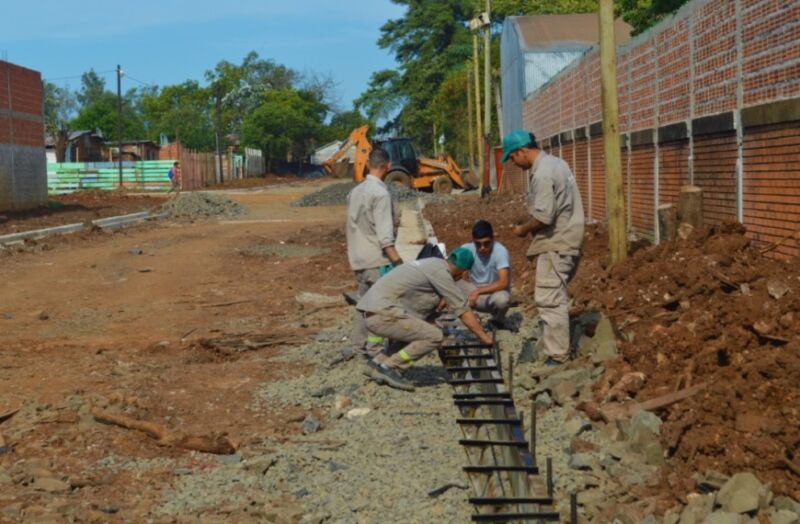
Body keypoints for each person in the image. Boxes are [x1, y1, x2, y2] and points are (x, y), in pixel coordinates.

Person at [356, 247, 493, 391]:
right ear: (464, 272)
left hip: (372, 312)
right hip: (382, 314)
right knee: (434, 336)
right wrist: (484, 338)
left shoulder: (433, 263)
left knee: (418, 331)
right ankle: (392, 367)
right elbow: (463, 310)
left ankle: (378, 363)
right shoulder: (442, 273)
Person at [503, 129, 585, 366]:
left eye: (512, 157)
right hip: (571, 236)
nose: (513, 163)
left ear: (522, 151)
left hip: (557, 242)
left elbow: (544, 218)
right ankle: (556, 343)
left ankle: (558, 356)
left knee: (549, 298)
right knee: (554, 293)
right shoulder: (557, 163)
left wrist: (523, 229)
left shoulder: (542, 175)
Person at [345, 148, 403, 360]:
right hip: (377, 260)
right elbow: (385, 237)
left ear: (368, 165)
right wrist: (399, 262)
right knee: (383, 306)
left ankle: (359, 349)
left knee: (363, 304)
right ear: (388, 166)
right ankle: (377, 352)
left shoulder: (355, 192)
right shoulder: (381, 194)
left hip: (358, 259)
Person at [457, 220, 511, 328]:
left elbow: (504, 282)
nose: (482, 248)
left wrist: (478, 292)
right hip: (473, 291)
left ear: (492, 239)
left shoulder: (500, 251)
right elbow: (449, 268)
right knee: (449, 282)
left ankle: (497, 321)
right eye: (478, 244)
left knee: (503, 300)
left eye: (486, 243)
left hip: (493, 292)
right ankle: (466, 316)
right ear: (473, 241)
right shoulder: (467, 249)